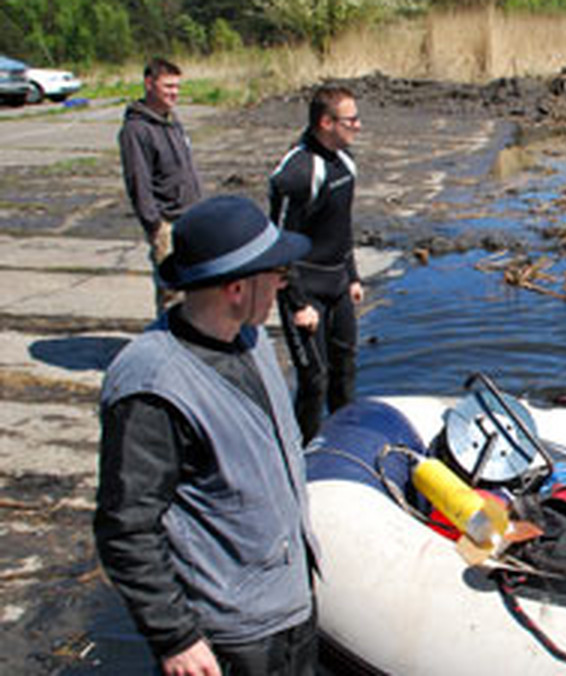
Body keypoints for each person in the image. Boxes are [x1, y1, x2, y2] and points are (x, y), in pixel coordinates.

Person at [94, 196, 319, 676]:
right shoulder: (153, 385)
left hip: (290, 604)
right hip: (232, 634)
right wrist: (174, 636)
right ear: (237, 288)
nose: (285, 282)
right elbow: (126, 528)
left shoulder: (250, 337)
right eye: (275, 273)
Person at [269, 84, 364, 443]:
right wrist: (297, 303)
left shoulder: (345, 162)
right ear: (326, 122)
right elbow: (279, 243)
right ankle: (300, 453)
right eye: (351, 119)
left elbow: (342, 226)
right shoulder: (298, 172)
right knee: (314, 381)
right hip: (304, 290)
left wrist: (352, 275)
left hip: (337, 283)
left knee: (345, 370)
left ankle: (344, 445)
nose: (358, 126)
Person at [118, 57, 203, 313]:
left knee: (195, 289)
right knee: (172, 293)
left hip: (190, 218)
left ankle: (189, 345)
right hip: (167, 223)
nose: (174, 93)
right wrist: (154, 224)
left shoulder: (171, 121)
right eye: (168, 87)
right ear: (149, 84)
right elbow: (138, 182)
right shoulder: (136, 130)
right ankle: (167, 346)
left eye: (177, 87)